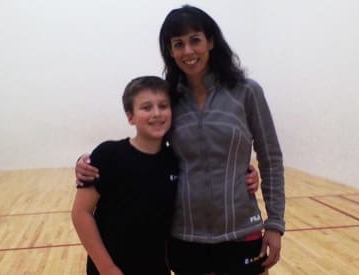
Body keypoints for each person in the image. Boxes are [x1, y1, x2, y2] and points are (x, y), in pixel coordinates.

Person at [76, 4, 285, 275]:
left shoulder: (247, 92)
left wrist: (275, 223)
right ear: (170, 51)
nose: (188, 51)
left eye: (195, 40)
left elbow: (271, 158)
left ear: (210, 41)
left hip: (242, 231)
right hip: (186, 238)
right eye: (178, 44)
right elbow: (148, 152)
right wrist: (88, 165)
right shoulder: (171, 99)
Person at [72, 76, 178, 275]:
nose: (157, 113)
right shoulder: (108, 155)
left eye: (163, 106)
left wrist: (247, 174)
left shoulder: (176, 159)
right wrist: (107, 268)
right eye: (146, 108)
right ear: (130, 117)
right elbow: (81, 213)